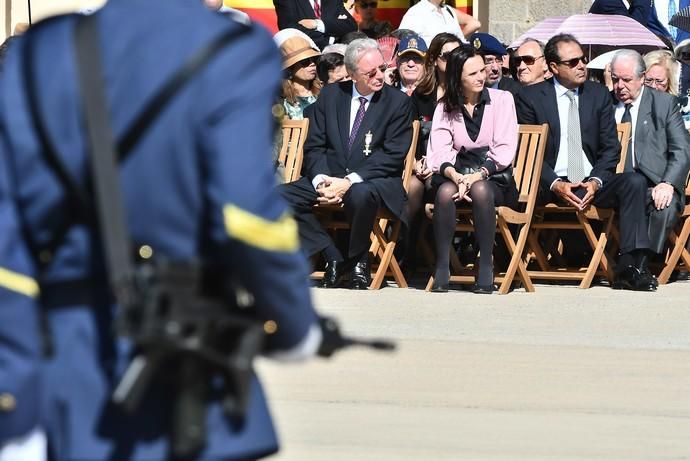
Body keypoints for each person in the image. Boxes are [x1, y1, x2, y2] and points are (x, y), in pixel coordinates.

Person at [0, 1, 324, 460]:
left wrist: (12, 391)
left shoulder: (42, 51)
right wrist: (294, 324)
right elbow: (250, 219)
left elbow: (7, 234)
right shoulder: (232, 47)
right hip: (189, 356)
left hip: (67, 363)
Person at [516, 34, 657, 291]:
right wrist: (556, 184)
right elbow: (529, 152)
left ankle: (630, 266)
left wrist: (595, 181)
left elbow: (611, 149)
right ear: (553, 67)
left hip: (591, 181)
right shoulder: (531, 97)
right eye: (573, 62)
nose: (582, 65)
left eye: (583, 59)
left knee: (634, 181)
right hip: (551, 184)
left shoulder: (597, 94)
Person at [280, 38, 412, 289]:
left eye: (382, 69)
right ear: (351, 74)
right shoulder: (330, 96)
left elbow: (392, 155)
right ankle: (332, 256)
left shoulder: (398, 102)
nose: (379, 76)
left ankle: (359, 260)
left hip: (374, 181)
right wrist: (320, 181)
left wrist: (348, 181)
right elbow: (315, 146)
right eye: (370, 72)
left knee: (359, 195)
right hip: (329, 177)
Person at [426, 45, 519, 293]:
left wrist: (477, 175)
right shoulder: (445, 106)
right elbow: (439, 150)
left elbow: (505, 148)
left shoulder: (502, 100)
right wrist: (456, 176)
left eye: (482, 70)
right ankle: (443, 266)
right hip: (456, 175)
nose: (481, 76)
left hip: (494, 177)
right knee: (445, 192)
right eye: (472, 74)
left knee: (479, 189)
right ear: (458, 78)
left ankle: (486, 263)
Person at [610, 49, 690, 264]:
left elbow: (681, 149)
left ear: (641, 78)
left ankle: (640, 264)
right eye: (615, 79)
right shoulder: (605, 103)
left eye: (626, 80)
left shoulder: (663, 104)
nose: (620, 86)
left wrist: (668, 183)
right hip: (615, 183)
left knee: (665, 205)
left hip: (653, 182)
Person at [273, 0, 358, 50]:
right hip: (307, 57)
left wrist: (317, 24)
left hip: (337, 58)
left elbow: (350, 26)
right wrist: (330, 42)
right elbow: (290, 29)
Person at [279, 36, 322, 119]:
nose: (312, 64)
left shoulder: (325, 93)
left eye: (314, 59)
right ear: (290, 68)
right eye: (305, 61)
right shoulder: (279, 100)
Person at [469, 32, 521, 98]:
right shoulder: (466, 90)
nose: (495, 68)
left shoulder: (514, 91)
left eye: (499, 60)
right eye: (489, 61)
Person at [399, 0, 465, 47]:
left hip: (455, 63)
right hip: (430, 64)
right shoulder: (415, 12)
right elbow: (404, 45)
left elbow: (462, 40)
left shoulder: (448, 10)